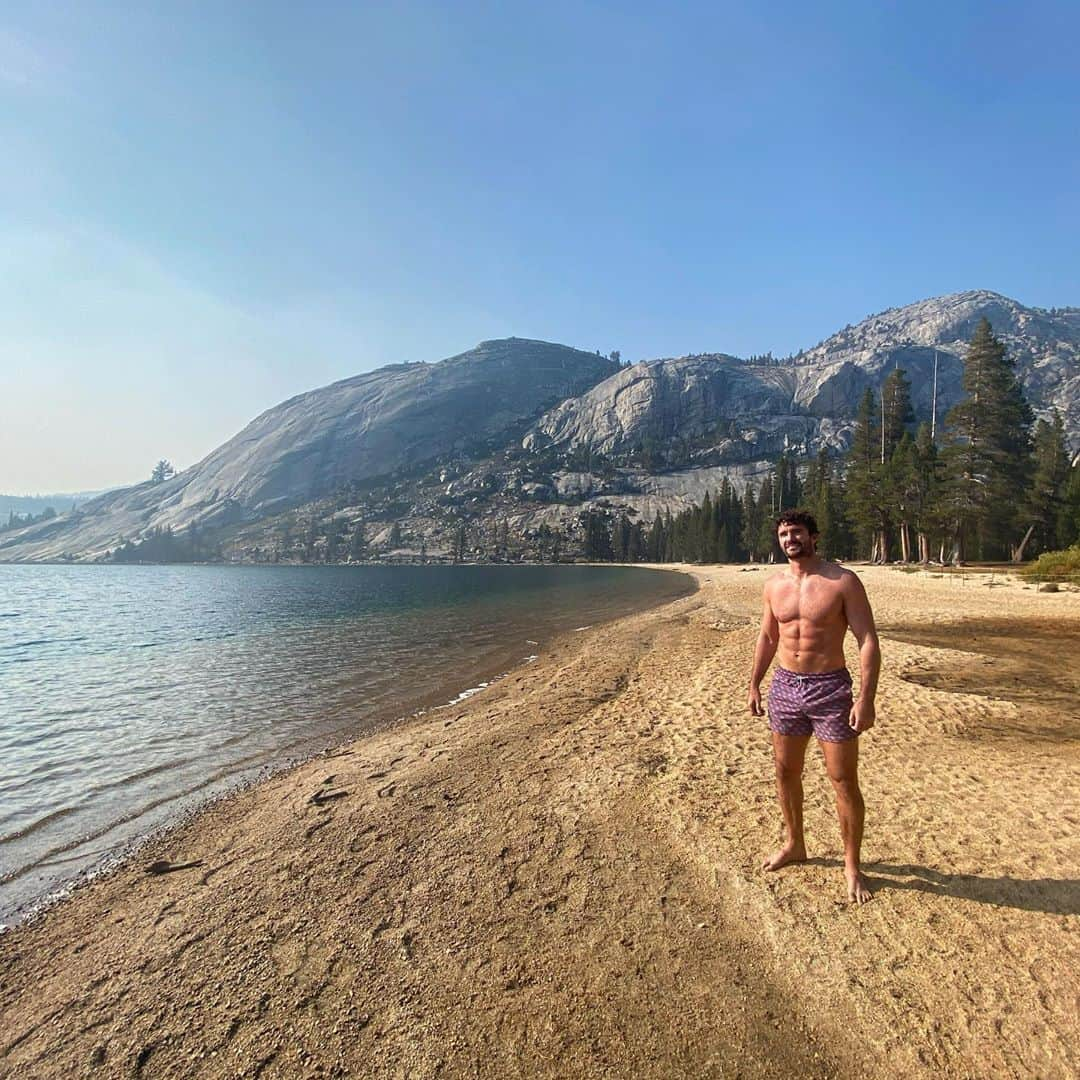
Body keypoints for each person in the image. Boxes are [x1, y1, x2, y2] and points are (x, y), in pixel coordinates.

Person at [747, 509, 881, 904]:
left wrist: (866, 698)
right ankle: (794, 844)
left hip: (830, 690)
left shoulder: (842, 582)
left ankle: (852, 865)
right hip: (785, 687)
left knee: (842, 780)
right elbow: (768, 638)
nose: (790, 539)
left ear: (813, 536)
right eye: (784, 534)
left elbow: (867, 639)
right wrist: (754, 684)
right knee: (785, 771)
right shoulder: (774, 586)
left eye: (797, 532)